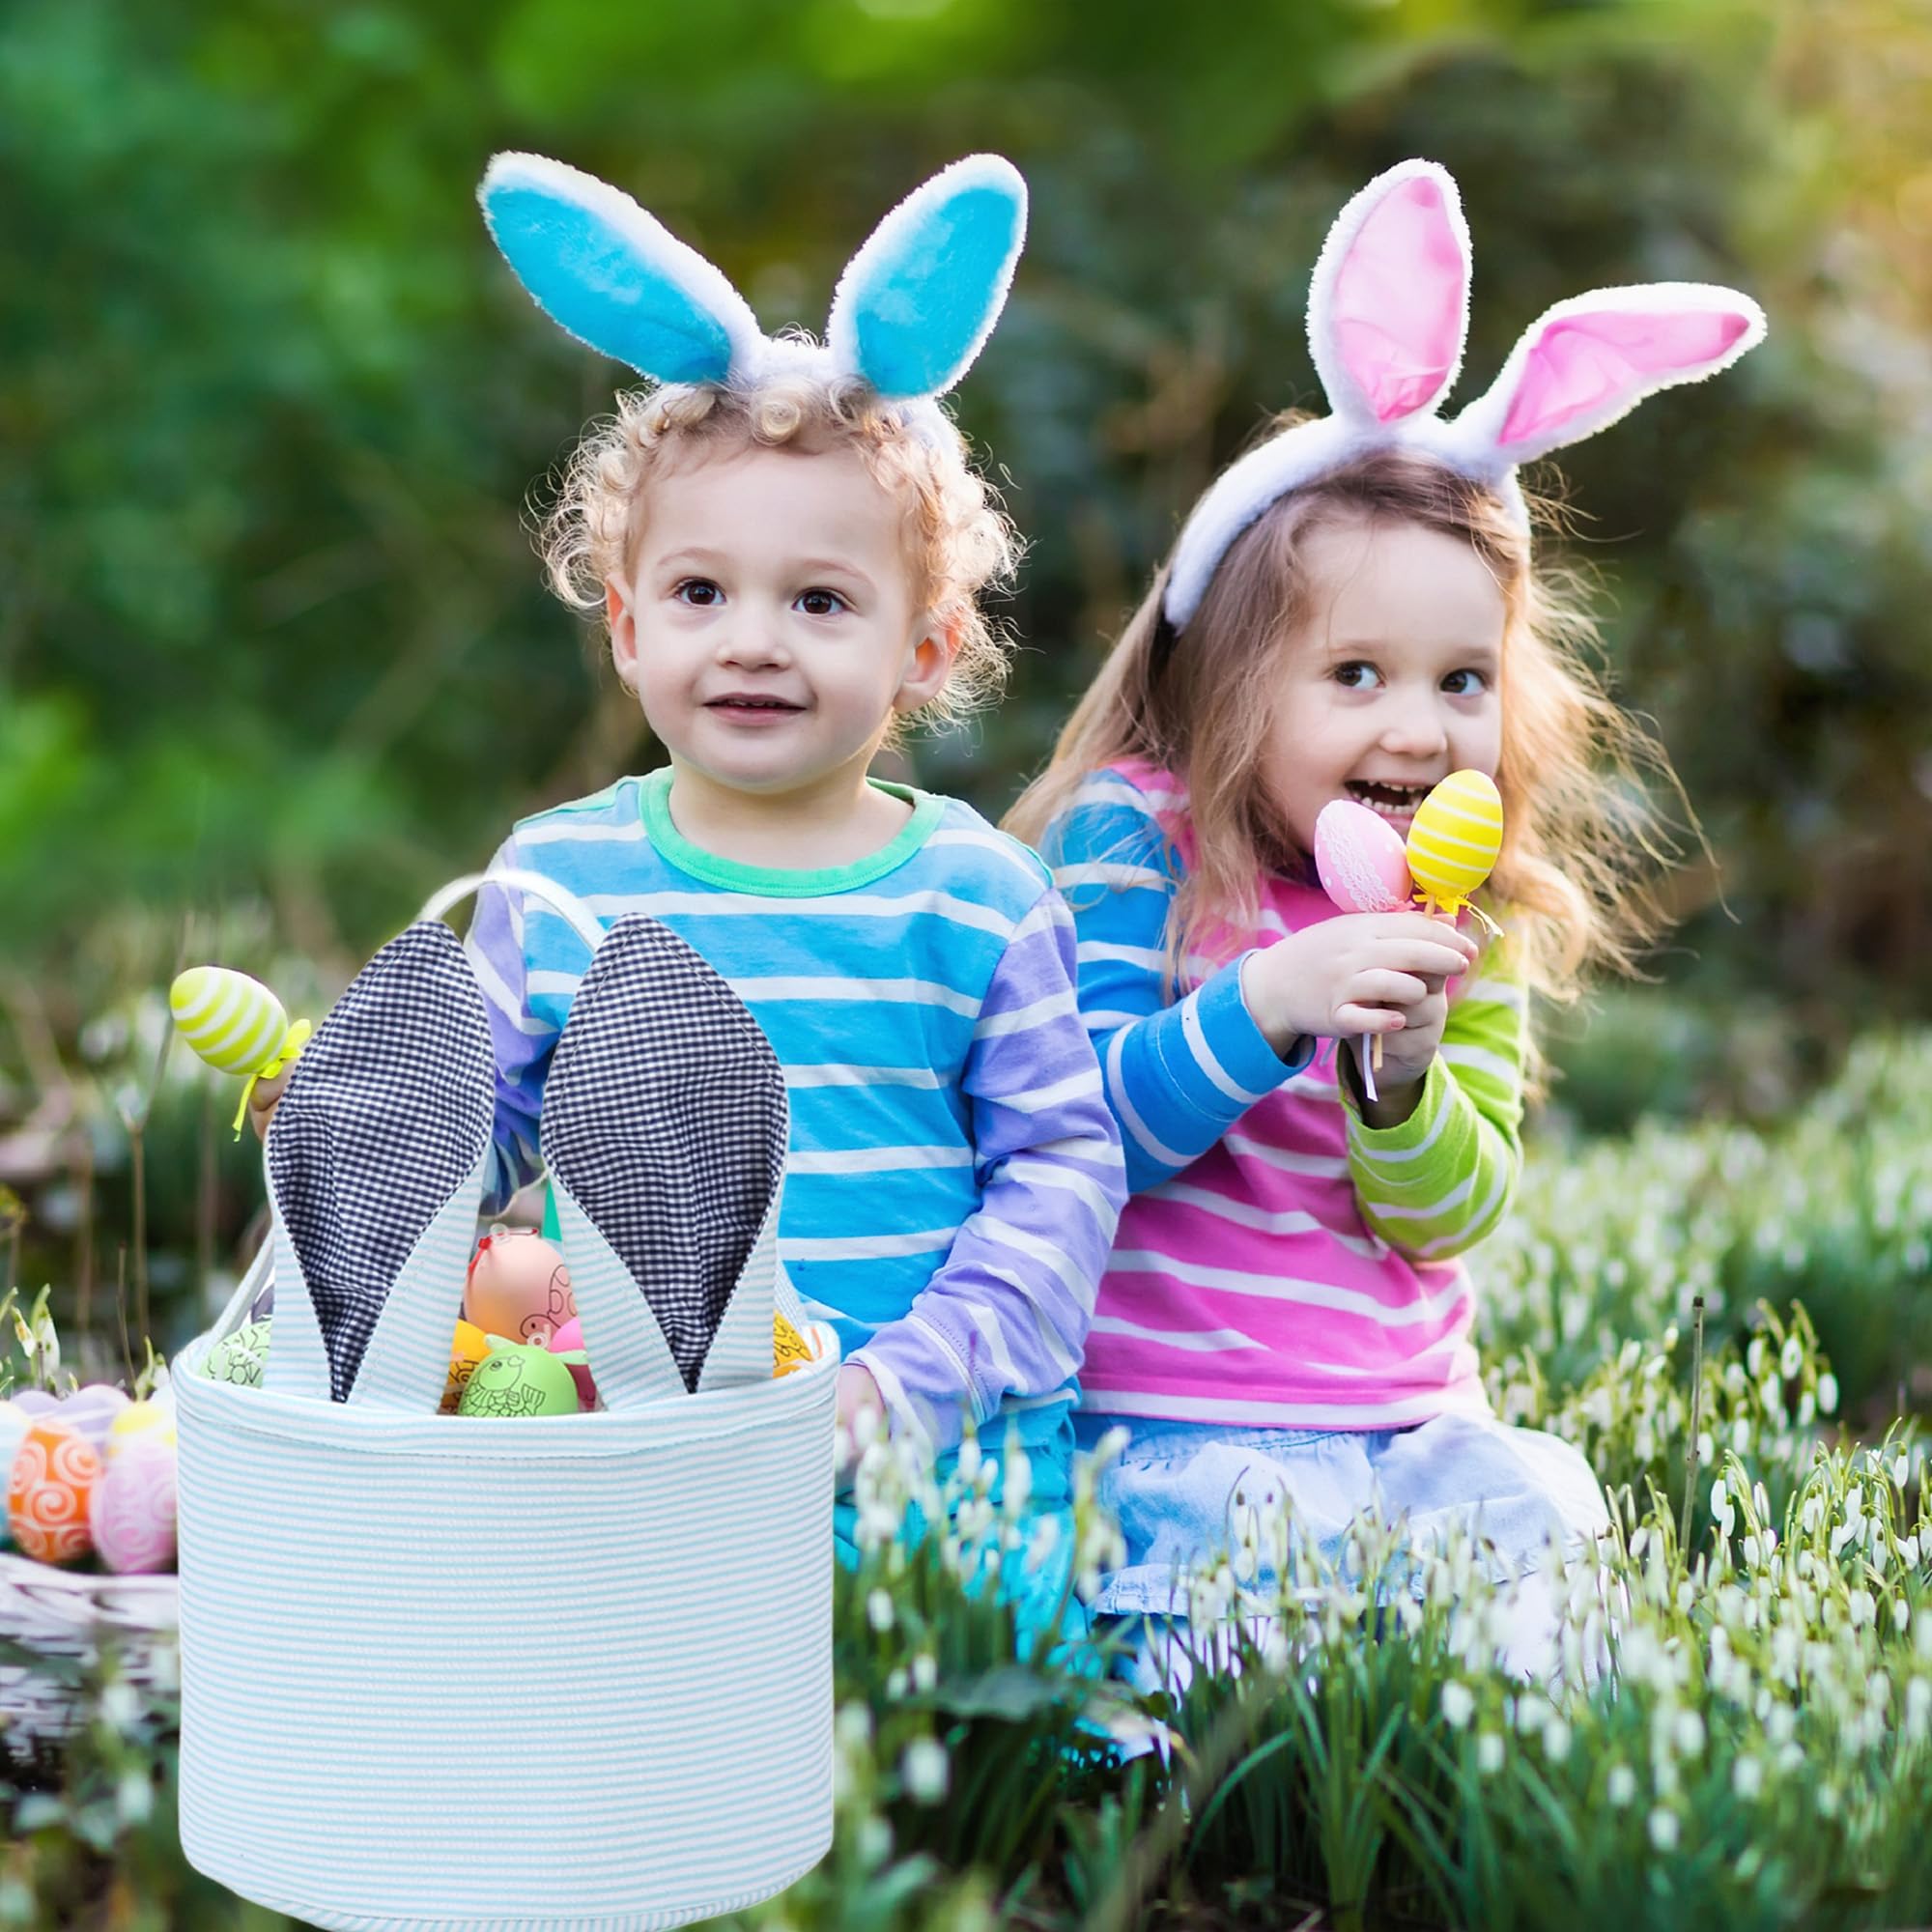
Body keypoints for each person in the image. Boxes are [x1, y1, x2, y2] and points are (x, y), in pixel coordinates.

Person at [255, 151, 1125, 1655]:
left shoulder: (979, 895)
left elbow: (1062, 1178)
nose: (756, 643)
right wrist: (359, 1169)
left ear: (926, 647)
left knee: (954, 1750)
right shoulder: (561, 875)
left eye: (823, 601)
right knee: (629, 1723)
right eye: (702, 594)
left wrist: (903, 1387)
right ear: (626, 624)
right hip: (632, 1443)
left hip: (935, 1460)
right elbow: (476, 1126)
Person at [1005, 158, 1765, 1687]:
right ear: (1230, 680)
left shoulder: (1457, 905)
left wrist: (1402, 1080)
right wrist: (1269, 999)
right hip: (1177, 1417)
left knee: (1544, 1570)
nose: (1417, 729)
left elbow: (1446, 1213)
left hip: (1409, 1418)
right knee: (1245, 1643)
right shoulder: (1139, 839)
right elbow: (1079, 1140)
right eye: (1355, 677)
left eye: (1459, 682)